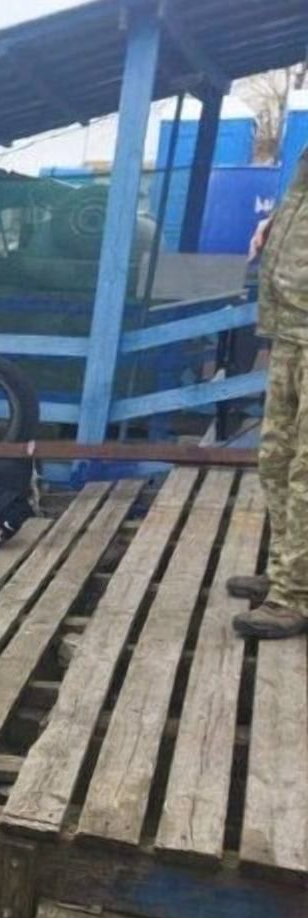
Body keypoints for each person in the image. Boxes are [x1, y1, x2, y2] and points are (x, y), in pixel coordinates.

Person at [231, 146, 308, 639]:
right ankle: (285, 570)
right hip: (291, 330)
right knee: (276, 459)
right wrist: (274, 224)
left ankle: (294, 594)